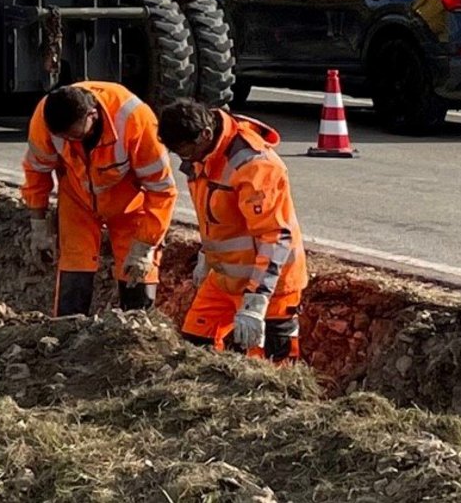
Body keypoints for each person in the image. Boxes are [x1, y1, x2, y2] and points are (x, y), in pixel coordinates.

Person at [156, 98, 308, 361]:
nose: (185, 159)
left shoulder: (254, 165)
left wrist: (256, 302)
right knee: (194, 349)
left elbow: (274, 236)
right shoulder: (202, 154)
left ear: (205, 134)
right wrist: (207, 255)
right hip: (225, 277)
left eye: (186, 151)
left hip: (270, 285)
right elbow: (217, 215)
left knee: (272, 369)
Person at [20, 81, 178, 316]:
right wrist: (38, 225)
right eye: (64, 138)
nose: (70, 142)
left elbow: (161, 189)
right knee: (74, 268)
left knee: (136, 275)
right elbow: (37, 172)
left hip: (128, 203)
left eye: (74, 135)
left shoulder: (135, 120)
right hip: (77, 200)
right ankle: (68, 334)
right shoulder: (46, 118)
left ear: (92, 115)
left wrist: (146, 244)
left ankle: (136, 337)